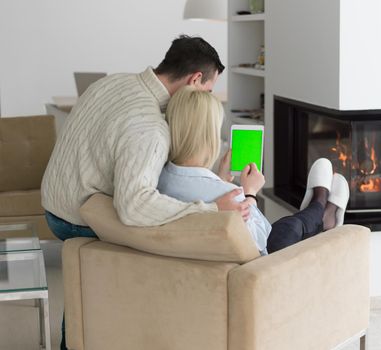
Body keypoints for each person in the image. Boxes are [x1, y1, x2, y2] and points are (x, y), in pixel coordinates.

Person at [41, 35, 249, 350]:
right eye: (208, 91)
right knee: (166, 245)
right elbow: (135, 206)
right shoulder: (151, 127)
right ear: (195, 80)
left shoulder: (113, 82)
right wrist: (212, 209)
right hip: (76, 216)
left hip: (53, 200)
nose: (207, 99)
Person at [158, 86, 351, 254]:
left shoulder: (161, 180)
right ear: (210, 137)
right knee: (288, 228)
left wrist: (222, 179)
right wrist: (250, 193)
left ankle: (320, 212)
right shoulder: (227, 195)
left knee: (289, 224)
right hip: (260, 266)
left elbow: (199, 197)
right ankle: (320, 210)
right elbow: (262, 240)